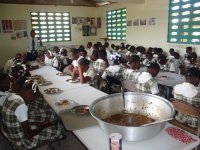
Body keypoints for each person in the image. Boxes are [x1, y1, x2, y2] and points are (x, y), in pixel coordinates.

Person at [1, 78, 63, 149]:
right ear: (29, 93)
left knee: (45, 123)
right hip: (24, 143)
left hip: (15, 135)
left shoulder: (11, 97)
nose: (32, 100)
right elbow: (29, 135)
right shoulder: (20, 106)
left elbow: (18, 122)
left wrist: (38, 123)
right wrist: (43, 126)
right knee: (56, 128)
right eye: (33, 98)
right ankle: (57, 135)